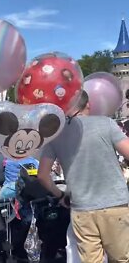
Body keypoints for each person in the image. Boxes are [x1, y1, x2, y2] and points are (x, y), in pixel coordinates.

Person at [38, 91, 129, 262]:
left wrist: (61, 195)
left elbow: (42, 175)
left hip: (81, 208)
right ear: (88, 104)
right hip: (114, 203)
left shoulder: (56, 135)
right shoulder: (106, 124)